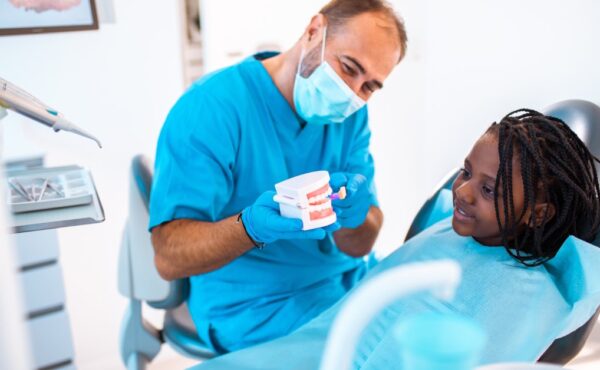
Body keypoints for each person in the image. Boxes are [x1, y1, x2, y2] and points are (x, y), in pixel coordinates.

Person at [195, 109, 600, 369]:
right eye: (465, 171)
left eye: (489, 189)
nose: (461, 191)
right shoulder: (453, 228)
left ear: (538, 213)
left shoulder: (525, 294)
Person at [148, 0, 408, 352]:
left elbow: (358, 243)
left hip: (342, 283)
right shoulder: (212, 108)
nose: (352, 92)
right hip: (253, 304)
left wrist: (360, 216)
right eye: (348, 68)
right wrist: (250, 228)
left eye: (370, 86)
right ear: (314, 31)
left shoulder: (351, 117)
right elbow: (169, 257)